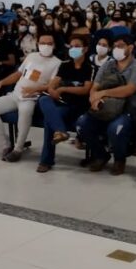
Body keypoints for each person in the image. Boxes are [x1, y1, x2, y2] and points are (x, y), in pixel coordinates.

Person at [75, 35, 136, 175]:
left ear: (130, 48)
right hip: (104, 108)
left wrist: (103, 93)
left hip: (128, 111)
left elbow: (128, 90)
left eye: (120, 46)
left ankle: (119, 159)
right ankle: (100, 155)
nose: (116, 49)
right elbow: (94, 88)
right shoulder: (107, 65)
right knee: (81, 124)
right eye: (114, 46)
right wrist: (94, 100)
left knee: (115, 128)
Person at [0, 33, 61, 162]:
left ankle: (18, 149)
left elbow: (52, 85)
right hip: (15, 94)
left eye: (49, 43)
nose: (46, 46)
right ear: (38, 44)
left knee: (25, 112)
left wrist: (34, 90)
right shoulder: (31, 56)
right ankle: (6, 145)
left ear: (54, 45)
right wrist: (1, 83)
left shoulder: (57, 63)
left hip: (32, 98)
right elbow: (18, 74)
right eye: (43, 43)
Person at [36, 36, 94, 173]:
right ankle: (61, 131)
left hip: (78, 106)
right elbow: (53, 84)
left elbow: (85, 89)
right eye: (71, 46)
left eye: (77, 46)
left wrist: (63, 89)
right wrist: (52, 90)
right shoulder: (65, 65)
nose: (73, 49)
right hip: (62, 102)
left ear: (85, 49)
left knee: (49, 119)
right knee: (44, 100)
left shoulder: (90, 68)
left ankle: (46, 160)